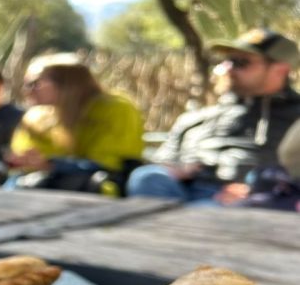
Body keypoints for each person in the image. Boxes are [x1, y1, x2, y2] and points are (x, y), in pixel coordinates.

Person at [127, 28, 300, 202]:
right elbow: (162, 162)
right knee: (145, 178)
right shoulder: (195, 119)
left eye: (241, 62)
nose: (229, 69)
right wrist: (177, 170)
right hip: (180, 194)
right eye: (228, 61)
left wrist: (260, 192)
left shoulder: (295, 119)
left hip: (251, 204)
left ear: (280, 69)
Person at [7, 54, 144, 194]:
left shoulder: (115, 108)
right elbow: (26, 159)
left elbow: (110, 164)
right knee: (16, 183)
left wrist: (51, 164)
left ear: (67, 82)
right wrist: (27, 161)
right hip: (48, 183)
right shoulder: (37, 116)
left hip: (102, 185)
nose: (27, 91)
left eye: (34, 83)